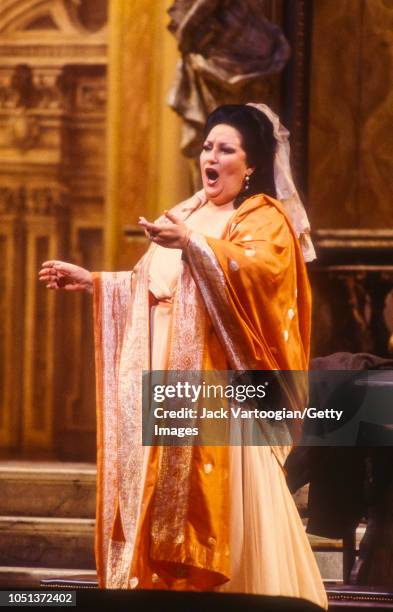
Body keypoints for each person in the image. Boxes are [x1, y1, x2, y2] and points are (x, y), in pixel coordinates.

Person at [39, 104, 327, 608]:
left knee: (224, 518)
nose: (211, 157)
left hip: (218, 395)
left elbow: (261, 277)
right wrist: (94, 283)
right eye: (207, 147)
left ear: (252, 162)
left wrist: (195, 245)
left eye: (226, 149)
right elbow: (152, 287)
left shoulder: (261, 218)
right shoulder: (189, 210)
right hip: (169, 388)